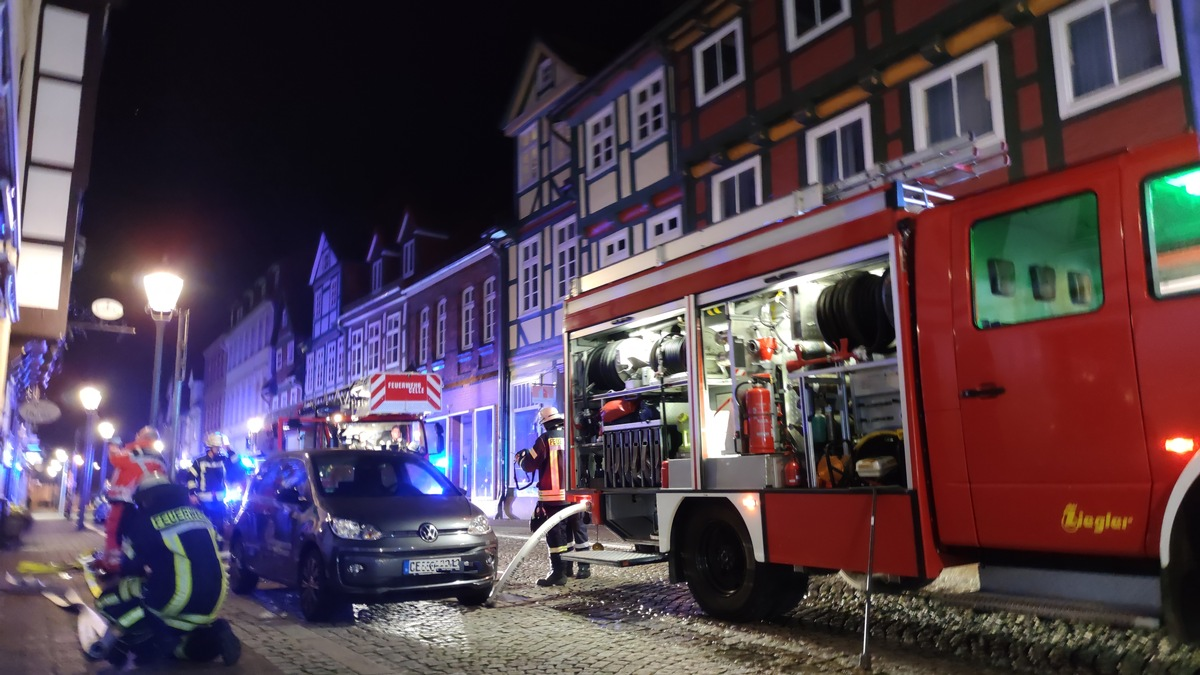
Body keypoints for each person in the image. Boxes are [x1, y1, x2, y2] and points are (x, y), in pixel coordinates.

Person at [95, 472, 240, 668]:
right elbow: (215, 548)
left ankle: (149, 640)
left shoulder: (145, 522)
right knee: (179, 649)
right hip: (213, 600)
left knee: (110, 598)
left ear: (145, 499)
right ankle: (215, 635)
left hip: (174, 599)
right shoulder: (200, 516)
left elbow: (129, 568)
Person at [517, 406, 589, 585]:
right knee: (577, 530)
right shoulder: (572, 437)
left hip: (553, 499)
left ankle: (559, 572)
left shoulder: (544, 440)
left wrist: (520, 458)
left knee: (557, 535)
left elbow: (529, 465)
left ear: (544, 423)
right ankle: (583, 567)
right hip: (575, 495)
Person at [101, 427, 168, 573]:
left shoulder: (134, 450)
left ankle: (114, 563)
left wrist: (113, 446)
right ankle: (140, 563)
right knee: (140, 533)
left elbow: (116, 459)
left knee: (115, 530)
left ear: (140, 436)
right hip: (149, 501)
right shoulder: (160, 457)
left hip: (125, 498)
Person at [186, 432, 236, 547]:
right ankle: (204, 547)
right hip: (203, 501)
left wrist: (228, 449)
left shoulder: (223, 460)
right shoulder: (199, 461)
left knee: (219, 528)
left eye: (219, 447)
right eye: (216, 447)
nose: (218, 449)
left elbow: (235, 462)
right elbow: (190, 477)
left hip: (219, 500)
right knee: (204, 527)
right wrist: (192, 494)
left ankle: (217, 548)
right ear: (210, 447)